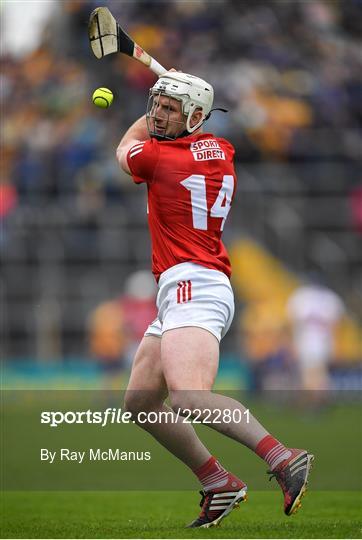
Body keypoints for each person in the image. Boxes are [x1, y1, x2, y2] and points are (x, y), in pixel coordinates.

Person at [116, 69, 313, 528]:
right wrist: (181, 99)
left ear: (196, 115)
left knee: (187, 395)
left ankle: (283, 457)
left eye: (170, 108)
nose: (158, 115)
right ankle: (217, 480)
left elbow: (125, 150)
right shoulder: (221, 150)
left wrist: (151, 120)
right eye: (157, 105)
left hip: (193, 282)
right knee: (140, 402)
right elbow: (195, 138)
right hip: (185, 283)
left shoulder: (158, 158)